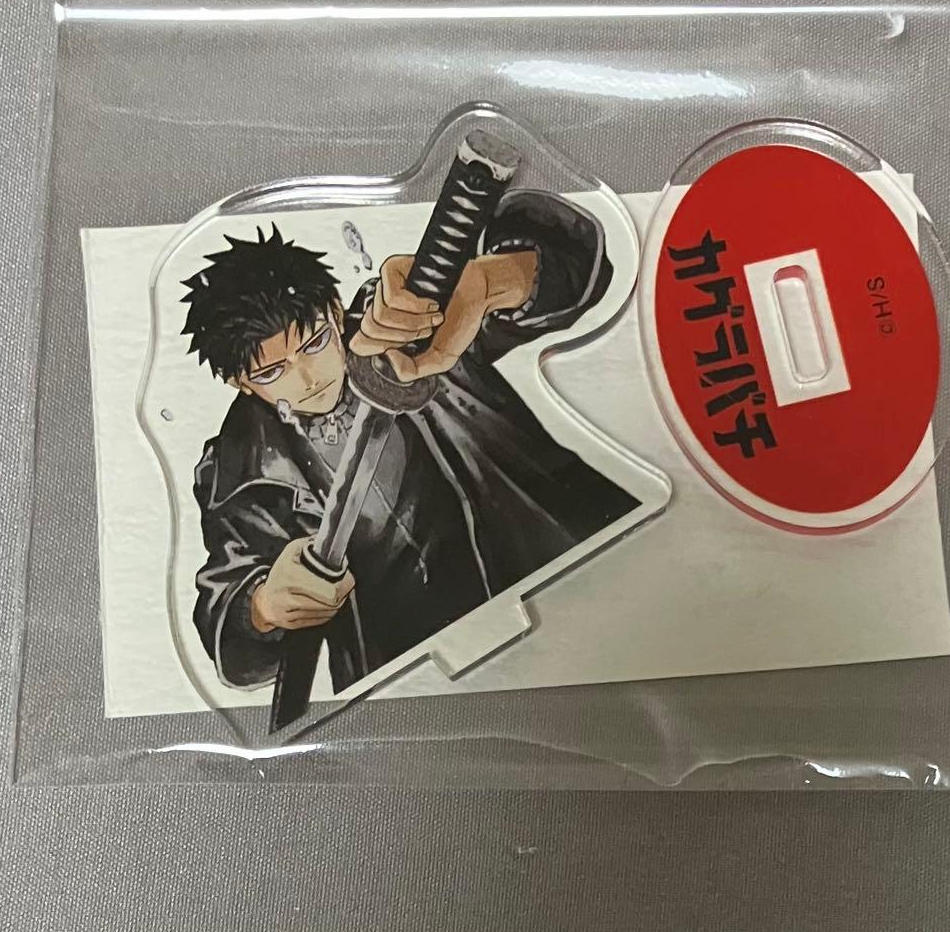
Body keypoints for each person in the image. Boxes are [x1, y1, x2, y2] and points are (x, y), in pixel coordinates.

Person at [181, 193, 639, 690]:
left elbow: (578, 264)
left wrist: (490, 282)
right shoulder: (237, 474)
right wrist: (263, 607)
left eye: (314, 343)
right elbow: (229, 631)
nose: (308, 377)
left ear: (334, 312)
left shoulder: (405, 325)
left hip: (573, 573)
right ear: (241, 382)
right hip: (423, 674)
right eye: (273, 371)